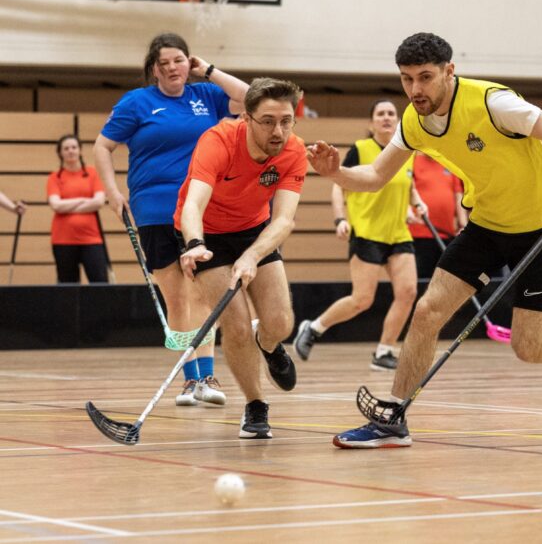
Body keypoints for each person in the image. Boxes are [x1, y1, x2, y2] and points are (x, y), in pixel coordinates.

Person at [308, 32, 542, 449]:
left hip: (541, 228)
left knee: (528, 346)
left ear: (449, 71)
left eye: (425, 77)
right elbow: (373, 177)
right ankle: (393, 417)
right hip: (487, 226)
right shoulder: (414, 120)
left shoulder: (492, 103)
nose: (416, 90)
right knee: (427, 311)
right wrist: (334, 172)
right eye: (407, 79)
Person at [94, 33, 249, 407]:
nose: (172, 68)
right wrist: (113, 193)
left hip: (200, 209)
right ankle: (189, 379)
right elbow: (103, 146)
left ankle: (207, 376)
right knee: (177, 298)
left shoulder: (206, 96)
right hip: (154, 209)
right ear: (153, 70)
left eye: (178, 60)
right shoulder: (137, 103)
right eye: (163, 63)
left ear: (188, 61)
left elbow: (250, 97)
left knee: (203, 292)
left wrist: (208, 70)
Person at [176, 77, 305, 439]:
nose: (278, 130)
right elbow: (193, 204)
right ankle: (255, 404)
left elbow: (283, 220)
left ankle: (269, 344)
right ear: (247, 118)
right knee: (234, 325)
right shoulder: (218, 140)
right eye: (267, 121)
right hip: (207, 234)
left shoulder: (294, 151)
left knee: (280, 322)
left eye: (286, 120)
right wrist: (194, 243)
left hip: (254, 231)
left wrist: (251, 255)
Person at [293, 99, 425, 370]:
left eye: (391, 113)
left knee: (408, 291)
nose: (386, 118)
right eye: (380, 114)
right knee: (362, 300)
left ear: (398, 121)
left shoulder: (405, 154)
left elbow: (407, 185)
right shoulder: (360, 149)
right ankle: (315, 327)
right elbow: (337, 185)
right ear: (371, 122)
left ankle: (384, 351)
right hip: (367, 232)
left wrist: (416, 203)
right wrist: (340, 218)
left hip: (399, 233)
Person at [47, 135, 108, 283]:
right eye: (66, 148)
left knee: (100, 283)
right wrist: (83, 200)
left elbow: (99, 201)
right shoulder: (55, 178)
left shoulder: (92, 173)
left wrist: (66, 205)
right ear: (60, 153)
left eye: (74, 147)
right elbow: (55, 205)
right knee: (68, 287)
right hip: (63, 240)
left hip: (91, 238)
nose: (70, 151)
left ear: (80, 150)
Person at [407, 152, 468, 279]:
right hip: (420, 233)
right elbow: (408, 191)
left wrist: (464, 225)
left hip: (446, 234)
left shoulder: (449, 162)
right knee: (422, 277)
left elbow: (458, 195)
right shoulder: (412, 161)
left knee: (444, 278)